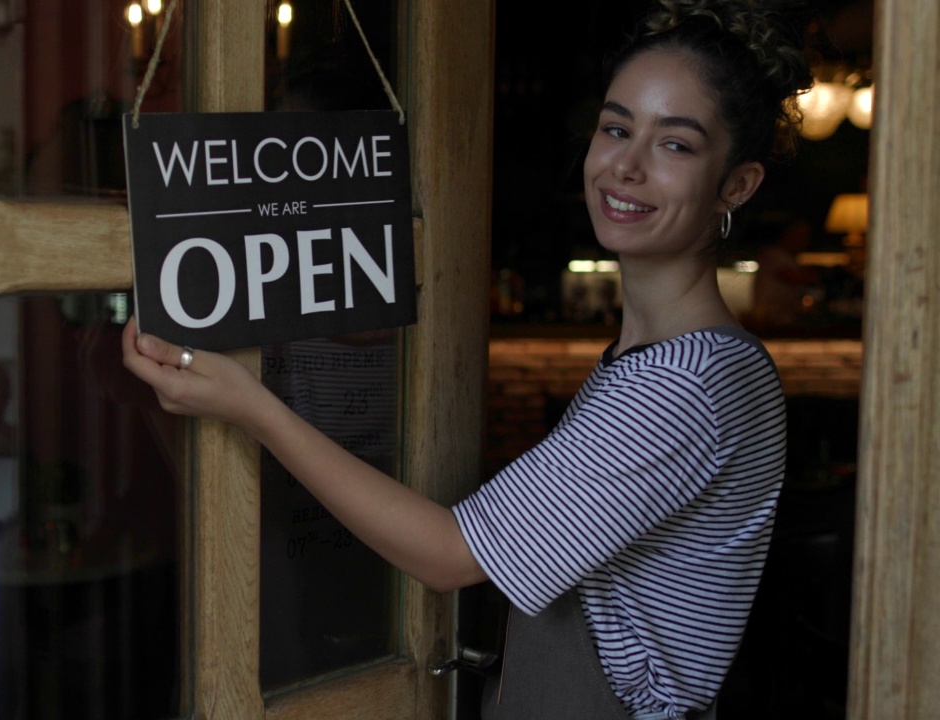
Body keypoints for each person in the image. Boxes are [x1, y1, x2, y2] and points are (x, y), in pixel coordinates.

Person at [121, 0, 811, 716]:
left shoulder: (681, 384)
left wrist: (248, 405)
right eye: (616, 127)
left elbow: (450, 556)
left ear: (737, 184)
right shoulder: (700, 360)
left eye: (676, 144)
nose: (626, 166)